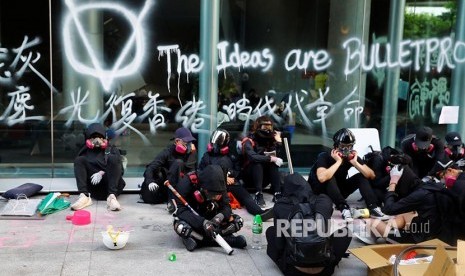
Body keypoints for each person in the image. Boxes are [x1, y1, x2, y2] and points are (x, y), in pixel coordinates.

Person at [266, 173, 352, 275]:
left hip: (293, 271)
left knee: (271, 231)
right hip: (325, 270)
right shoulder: (324, 200)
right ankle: (331, 262)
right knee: (345, 232)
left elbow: (279, 245)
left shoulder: (281, 204)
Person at [354, 162, 459, 245]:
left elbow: (388, 209)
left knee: (371, 222)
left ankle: (380, 231)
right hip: (441, 234)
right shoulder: (435, 188)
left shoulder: (420, 194)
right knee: (405, 214)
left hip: (420, 242)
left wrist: (393, 183)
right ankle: (382, 231)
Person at [308, 128, 388, 221]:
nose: (346, 149)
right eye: (342, 146)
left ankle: (373, 207)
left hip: (339, 192)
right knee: (329, 177)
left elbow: (371, 175)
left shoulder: (351, 158)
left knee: (360, 176)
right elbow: (322, 178)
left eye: (349, 146)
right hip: (321, 193)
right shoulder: (324, 156)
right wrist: (338, 162)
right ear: (336, 146)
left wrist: (355, 163)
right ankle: (344, 208)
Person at [198, 128, 274, 221]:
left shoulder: (231, 155)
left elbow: (237, 169)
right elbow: (200, 172)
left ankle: (260, 212)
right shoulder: (207, 156)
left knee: (244, 195)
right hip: (212, 185)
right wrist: (222, 177)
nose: (215, 147)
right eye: (214, 144)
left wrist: (231, 176)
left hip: (230, 183)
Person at [173, 164, 247, 251]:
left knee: (237, 221)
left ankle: (201, 241)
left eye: (218, 195)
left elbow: (226, 206)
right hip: (194, 218)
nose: (216, 197)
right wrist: (202, 223)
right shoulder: (186, 182)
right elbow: (181, 211)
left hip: (212, 219)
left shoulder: (221, 185)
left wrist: (218, 218)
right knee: (182, 227)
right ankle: (227, 239)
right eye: (212, 195)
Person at [71, 123, 126, 211]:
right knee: (79, 160)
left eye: (100, 137)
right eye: (93, 137)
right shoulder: (84, 151)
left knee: (114, 159)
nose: (97, 140)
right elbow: (80, 170)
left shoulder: (111, 150)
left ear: (104, 138)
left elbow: (120, 171)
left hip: (110, 186)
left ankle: (112, 198)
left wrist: (102, 173)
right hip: (94, 188)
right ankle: (84, 196)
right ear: (88, 139)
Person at [141, 127, 197, 212]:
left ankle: (177, 200)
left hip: (181, 186)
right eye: (186, 141)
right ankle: (171, 201)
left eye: (190, 142)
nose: (189, 144)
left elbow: (191, 173)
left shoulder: (191, 154)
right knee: (178, 163)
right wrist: (150, 181)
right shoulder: (167, 152)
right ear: (177, 141)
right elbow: (151, 167)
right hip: (166, 186)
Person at [242, 115, 283, 208]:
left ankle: (277, 193)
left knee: (273, 163)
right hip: (249, 177)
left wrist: (279, 143)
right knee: (258, 162)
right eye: (265, 126)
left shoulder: (272, 140)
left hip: (265, 179)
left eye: (270, 126)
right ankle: (258, 194)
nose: (268, 129)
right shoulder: (249, 140)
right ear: (258, 127)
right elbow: (253, 157)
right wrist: (270, 158)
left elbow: (279, 159)